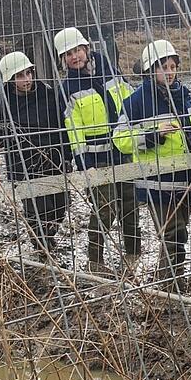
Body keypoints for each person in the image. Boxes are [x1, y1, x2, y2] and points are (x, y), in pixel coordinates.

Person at [114, 40, 191, 291]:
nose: (170, 72)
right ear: (151, 70)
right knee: (173, 234)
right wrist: (152, 135)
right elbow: (120, 139)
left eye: (173, 66)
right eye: (164, 67)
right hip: (156, 182)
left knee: (178, 234)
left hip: (185, 178)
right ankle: (169, 284)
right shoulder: (136, 102)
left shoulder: (184, 96)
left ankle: (169, 278)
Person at [55, 27, 141, 275]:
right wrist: (84, 165)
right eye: (68, 54)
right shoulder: (68, 89)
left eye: (78, 50)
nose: (75, 56)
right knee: (105, 208)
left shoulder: (110, 71)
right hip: (97, 157)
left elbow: (130, 99)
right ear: (63, 60)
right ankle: (95, 260)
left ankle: (133, 253)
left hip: (123, 150)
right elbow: (74, 129)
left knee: (130, 204)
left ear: (87, 49)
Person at [0, 51, 71, 257]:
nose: (27, 79)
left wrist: (68, 156)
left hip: (53, 159)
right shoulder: (0, 103)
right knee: (38, 209)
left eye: (28, 73)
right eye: (20, 76)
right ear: (10, 79)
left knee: (61, 206)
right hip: (23, 166)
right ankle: (42, 249)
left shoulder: (48, 94)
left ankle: (45, 236)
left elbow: (63, 127)